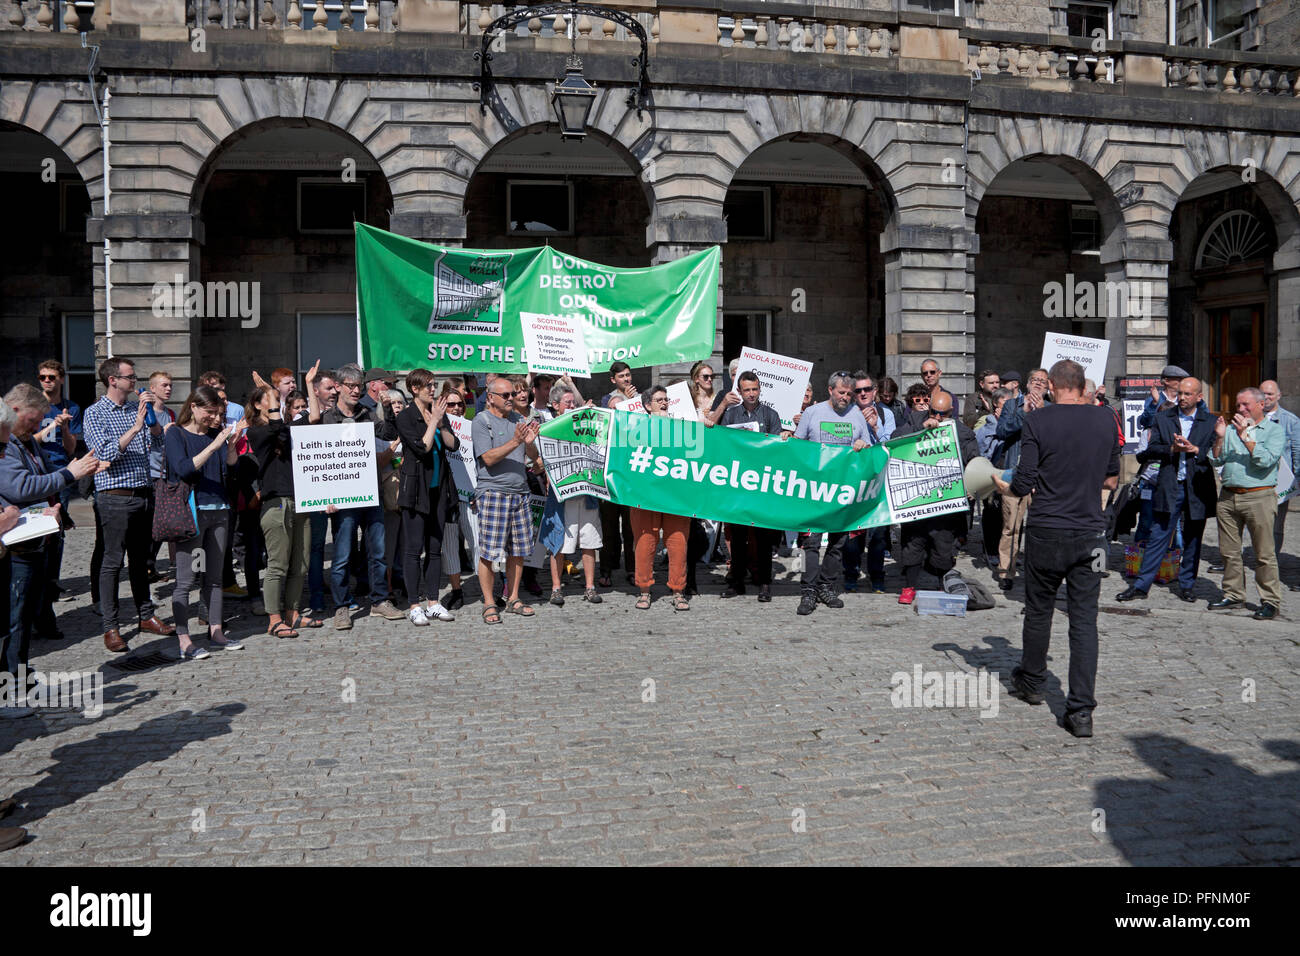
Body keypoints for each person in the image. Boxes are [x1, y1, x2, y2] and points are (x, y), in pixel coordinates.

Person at [993, 359, 1119, 739]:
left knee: (1039, 611)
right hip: (1091, 535)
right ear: (1082, 387)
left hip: (1047, 530)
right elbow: (1112, 479)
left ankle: (1032, 682)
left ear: (1051, 387)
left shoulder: (1038, 420)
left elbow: (1025, 479)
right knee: (1084, 621)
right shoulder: (1105, 420)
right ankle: (1081, 712)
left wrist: (1002, 486)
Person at [0, 385, 102, 703]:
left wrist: (50, 505)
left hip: (35, 537)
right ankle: (11, 692)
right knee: (13, 623)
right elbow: (19, 487)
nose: (37, 425)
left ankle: (21, 680)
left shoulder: (26, 441)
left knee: (24, 617)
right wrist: (69, 474)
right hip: (14, 547)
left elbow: (37, 482)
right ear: (14, 411)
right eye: (34, 419)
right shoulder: (8, 445)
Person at [83, 357, 175, 652]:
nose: (135, 382)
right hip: (114, 497)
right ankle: (110, 626)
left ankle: (145, 616)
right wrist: (136, 427)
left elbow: (158, 448)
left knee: (140, 560)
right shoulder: (95, 413)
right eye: (130, 377)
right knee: (112, 562)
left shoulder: (139, 410)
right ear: (113, 380)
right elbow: (106, 453)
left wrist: (153, 426)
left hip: (143, 493)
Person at [1116, 377, 1217, 604]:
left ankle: (1187, 585)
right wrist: (1171, 448)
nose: (1182, 398)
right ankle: (1141, 585)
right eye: (1180, 393)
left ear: (1199, 397)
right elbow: (1151, 449)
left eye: (1187, 394)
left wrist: (1195, 449)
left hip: (1197, 488)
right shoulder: (1163, 418)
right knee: (1158, 535)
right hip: (1170, 486)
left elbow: (1215, 455)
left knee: (1192, 538)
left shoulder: (1210, 421)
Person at [165, 386, 246, 659]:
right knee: (186, 580)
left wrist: (230, 447)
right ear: (194, 408)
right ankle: (184, 638)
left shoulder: (216, 436)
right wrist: (214, 445)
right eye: (210, 412)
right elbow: (184, 468)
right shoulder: (176, 434)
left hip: (220, 508)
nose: (214, 418)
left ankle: (216, 631)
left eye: (218, 413)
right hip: (192, 512)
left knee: (214, 578)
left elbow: (230, 468)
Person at [323, 363, 404, 628]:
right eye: (351, 386)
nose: (356, 391)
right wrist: (326, 496)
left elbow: (389, 433)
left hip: (370, 493)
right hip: (343, 498)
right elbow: (319, 461)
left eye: (359, 386)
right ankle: (341, 606)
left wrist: (389, 410)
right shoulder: (328, 418)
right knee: (343, 555)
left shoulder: (368, 414)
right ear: (338, 387)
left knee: (378, 552)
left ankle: (379, 601)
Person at [793, 371, 871, 616]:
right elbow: (797, 446)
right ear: (829, 390)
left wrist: (863, 445)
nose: (846, 398)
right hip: (814, 491)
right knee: (810, 543)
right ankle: (807, 590)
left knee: (837, 544)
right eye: (841, 393)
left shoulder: (857, 415)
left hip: (842, 493)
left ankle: (826, 587)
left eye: (849, 394)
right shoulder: (812, 413)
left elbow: (868, 449)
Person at [893, 391, 979, 605]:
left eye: (943, 414)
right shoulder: (915, 420)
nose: (938, 418)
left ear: (952, 412)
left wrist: (972, 482)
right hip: (919, 503)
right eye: (934, 412)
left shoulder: (962, 432)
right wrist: (920, 430)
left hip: (945, 505)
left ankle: (943, 583)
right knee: (912, 545)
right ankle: (909, 586)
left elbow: (975, 459)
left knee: (943, 547)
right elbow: (895, 441)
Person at [1208, 387, 1285, 620]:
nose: (1240, 409)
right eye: (1238, 405)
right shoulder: (1231, 430)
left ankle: (1270, 600)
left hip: (1259, 497)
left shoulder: (1273, 430)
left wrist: (1247, 437)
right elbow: (1215, 458)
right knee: (1229, 552)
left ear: (1261, 405)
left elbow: (1265, 460)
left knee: (1264, 553)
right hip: (1229, 496)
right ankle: (1233, 595)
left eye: (1245, 405)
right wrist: (1220, 437)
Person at [245, 382, 314, 639]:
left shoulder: (283, 428)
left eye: (277, 400)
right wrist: (275, 400)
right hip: (275, 503)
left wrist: (308, 385)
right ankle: (273, 619)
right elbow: (275, 429)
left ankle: (292, 612)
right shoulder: (255, 432)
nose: (277, 403)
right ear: (258, 404)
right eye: (271, 400)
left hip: (300, 499)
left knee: (301, 562)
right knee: (277, 564)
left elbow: (309, 421)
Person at [472, 376, 540, 624]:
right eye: (506, 395)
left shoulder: (519, 420)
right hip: (493, 493)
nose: (512, 398)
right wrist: (516, 440)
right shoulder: (482, 421)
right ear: (491, 397)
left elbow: (531, 456)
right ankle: (489, 602)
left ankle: (513, 598)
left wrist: (530, 444)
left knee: (518, 551)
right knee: (489, 552)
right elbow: (488, 459)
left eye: (513, 394)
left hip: (520, 493)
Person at [394, 368, 459, 625]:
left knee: (434, 549)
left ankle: (433, 601)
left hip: (438, 490)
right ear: (414, 389)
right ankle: (414, 604)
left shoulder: (438, 414)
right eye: (428, 386)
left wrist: (441, 422)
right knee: (412, 551)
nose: (433, 389)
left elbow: (453, 445)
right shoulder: (406, 417)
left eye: (434, 385)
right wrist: (432, 422)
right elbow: (422, 447)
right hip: (415, 490)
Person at [714, 371, 784, 602]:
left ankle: (764, 583)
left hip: (762, 484)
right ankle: (737, 582)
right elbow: (723, 444)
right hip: (737, 484)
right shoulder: (731, 415)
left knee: (764, 537)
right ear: (740, 391)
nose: (751, 394)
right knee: (737, 537)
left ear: (759, 389)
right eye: (747, 390)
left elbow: (776, 448)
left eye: (755, 389)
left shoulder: (771, 414)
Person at [539, 382, 603, 606]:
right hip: (562, 497)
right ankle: (556, 588)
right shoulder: (548, 427)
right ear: (556, 405)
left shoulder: (585, 425)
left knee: (589, 540)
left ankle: (589, 587)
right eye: (568, 402)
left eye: (574, 402)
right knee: (560, 543)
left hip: (586, 495)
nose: (573, 405)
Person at [630, 386, 691, 611]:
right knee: (645, 544)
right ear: (648, 406)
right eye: (659, 400)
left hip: (675, 497)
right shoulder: (635, 428)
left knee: (677, 544)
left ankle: (678, 591)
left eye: (666, 400)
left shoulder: (681, 426)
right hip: (645, 498)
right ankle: (644, 591)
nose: (664, 403)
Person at [992, 368, 1045, 592]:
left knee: (1041, 529)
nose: (1039, 384)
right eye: (1035, 380)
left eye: (1043, 381)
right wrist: (1024, 412)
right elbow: (1002, 431)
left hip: (1041, 479)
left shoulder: (1051, 408)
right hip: (1014, 474)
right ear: (1027, 383)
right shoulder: (1013, 406)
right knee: (1011, 527)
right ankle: (1006, 571)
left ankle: (1038, 572)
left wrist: (1041, 412)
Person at [841, 370, 893, 593]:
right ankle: (850, 574)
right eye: (858, 390)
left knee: (879, 534)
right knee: (853, 532)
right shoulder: (847, 414)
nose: (863, 393)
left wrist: (874, 428)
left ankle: (877, 575)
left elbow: (891, 445)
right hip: (854, 481)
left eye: (867, 389)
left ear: (875, 391)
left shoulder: (886, 414)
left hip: (879, 481)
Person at [35, 360, 82, 602]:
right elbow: (26, 440)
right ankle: (38, 581)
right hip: (37, 472)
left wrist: (64, 428)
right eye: (43, 377)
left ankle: (52, 583)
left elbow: (72, 447)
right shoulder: (35, 407)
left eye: (51, 377)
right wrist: (52, 425)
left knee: (57, 529)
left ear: (61, 379)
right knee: (36, 527)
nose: (46, 381)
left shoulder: (70, 407)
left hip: (61, 471)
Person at [597, 362, 638, 586]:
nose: (627, 379)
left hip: (631, 474)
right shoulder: (607, 399)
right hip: (610, 472)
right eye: (622, 376)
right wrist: (628, 402)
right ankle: (606, 569)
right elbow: (613, 417)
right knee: (609, 527)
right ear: (614, 379)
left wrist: (636, 401)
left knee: (631, 527)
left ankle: (633, 569)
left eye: (628, 375)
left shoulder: (640, 398)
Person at [436, 385, 475, 610]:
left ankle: (487, 587)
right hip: (448, 496)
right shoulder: (438, 428)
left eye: (460, 403)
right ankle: (456, 590)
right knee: (450, 547)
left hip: (471, 495)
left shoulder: (474, 426)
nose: (457, 408)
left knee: (479, 544)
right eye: (451, 404)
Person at [1259, 379, 1300, 590]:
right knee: (1255, 524)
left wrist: (1295, 482)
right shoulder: (1252, 416)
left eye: (1270, 394)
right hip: (1255, 481)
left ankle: (1271, 562)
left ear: (1279, 395)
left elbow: (1296, 453)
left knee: (1276, 525)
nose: (1266, 398)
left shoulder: (1290, 420)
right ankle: (1260, 558)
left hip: (1279, 482)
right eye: (1263, 394)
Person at [975, 387, 1013, 570]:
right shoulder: (985, 428)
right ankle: (991, 550)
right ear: (995, 408)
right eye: (1004, 406)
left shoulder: (1017, 425)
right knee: (993, 515)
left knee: (1012, 516)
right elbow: (980, 453)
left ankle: (1009, 552)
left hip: (1011, 475)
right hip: (992, 476)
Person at [1136, 365, 1190, 430]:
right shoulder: (1152, 400)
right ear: (1167, 381)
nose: (1183, 383)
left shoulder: (1185, 400)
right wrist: (1155, 403)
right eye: (1179, 380)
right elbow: (1145, 422)